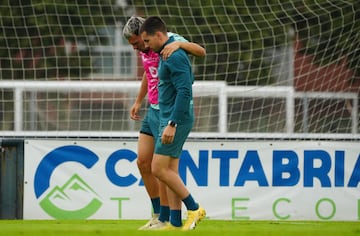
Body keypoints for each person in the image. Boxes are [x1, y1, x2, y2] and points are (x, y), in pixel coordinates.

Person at [122, 16, 206, 230]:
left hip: (170, 112)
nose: (136, 48)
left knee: (162, 168)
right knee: (144, 162)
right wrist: (139, 100)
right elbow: (150, 73)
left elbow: (200, 53)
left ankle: (176, 216)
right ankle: (164, 216)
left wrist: (179, 44)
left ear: (148, 36)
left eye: (137, 43)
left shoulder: (170, 46)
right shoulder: (148, 49)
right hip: (155, 108)